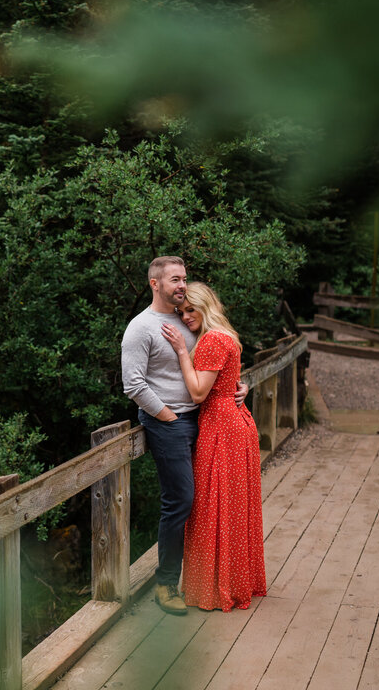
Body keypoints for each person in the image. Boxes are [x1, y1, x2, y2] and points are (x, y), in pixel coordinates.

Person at [120, 257, 247, 615]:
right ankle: (165, 584)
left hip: (205, 419)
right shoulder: (141, 328)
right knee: (181, 500)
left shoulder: (188, 318)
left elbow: (218, 361)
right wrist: (167, 415)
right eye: (174, 279)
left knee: (206, 500)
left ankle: (203, 578)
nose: (181, 285)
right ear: (154, 284)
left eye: (184, 278)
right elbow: (133, 384)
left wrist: (240, 386)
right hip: (169, 423)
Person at [160, 281, 267, 612]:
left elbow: (197, 394)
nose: (186, 316)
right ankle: (235, 581)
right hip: (235, 422)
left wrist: (180, 351)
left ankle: (217, 587)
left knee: (212, 506)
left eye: (191, 309)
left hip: (221, 427)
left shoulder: (209, 341)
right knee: (231, 505)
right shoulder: (227, 337)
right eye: (181, 311)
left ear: (206, 305)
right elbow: (228, 380)